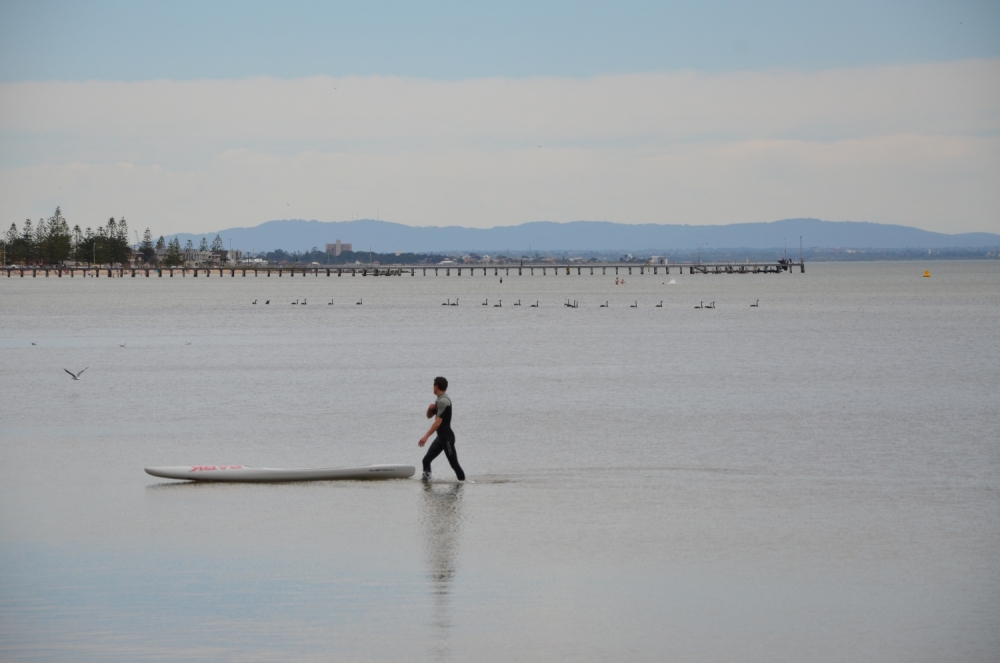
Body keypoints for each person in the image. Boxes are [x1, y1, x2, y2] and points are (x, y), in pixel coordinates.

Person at [419, 376, 465, 482]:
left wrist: (426, 436)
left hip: (447, 438)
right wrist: (430, 409)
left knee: (454, 465)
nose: (432, 387)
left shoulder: (444, 401)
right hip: (441, 438)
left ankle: (463, 484)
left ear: (436, 386)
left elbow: (438, 422)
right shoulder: (439, 400)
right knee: (426, 460)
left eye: (433, 385)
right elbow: (429, 416)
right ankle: (426, 484)